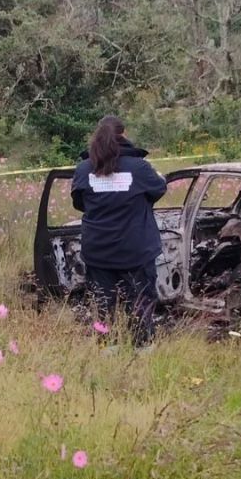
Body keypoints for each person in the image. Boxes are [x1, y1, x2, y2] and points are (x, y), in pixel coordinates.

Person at [71, 115, 167, 347]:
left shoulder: (84, 169)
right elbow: (158, 190)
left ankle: (106, 350)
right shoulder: (140, 167)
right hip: (136, 252)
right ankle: (142, 349)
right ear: (124, 134)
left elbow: (79, 203)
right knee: (140, 304)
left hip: (98, 252)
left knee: (103, 306)